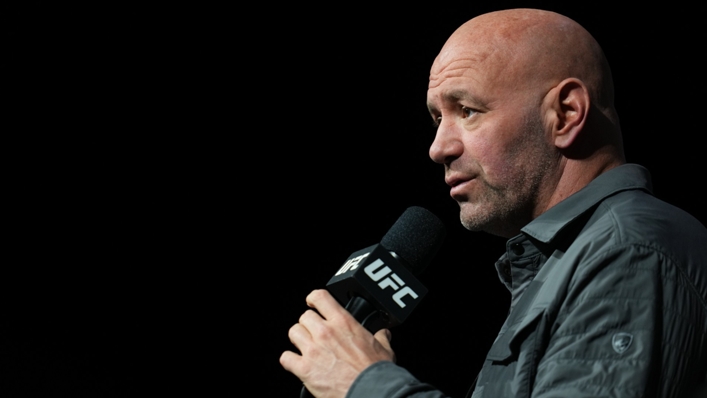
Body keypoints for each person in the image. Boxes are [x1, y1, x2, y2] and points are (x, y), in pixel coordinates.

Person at [280, 8, 707, 398]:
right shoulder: (573, 258)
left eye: (467, 110)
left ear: (566, 114)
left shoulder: (630, 252)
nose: (437, 148)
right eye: (437, 119)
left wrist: (365, 386)